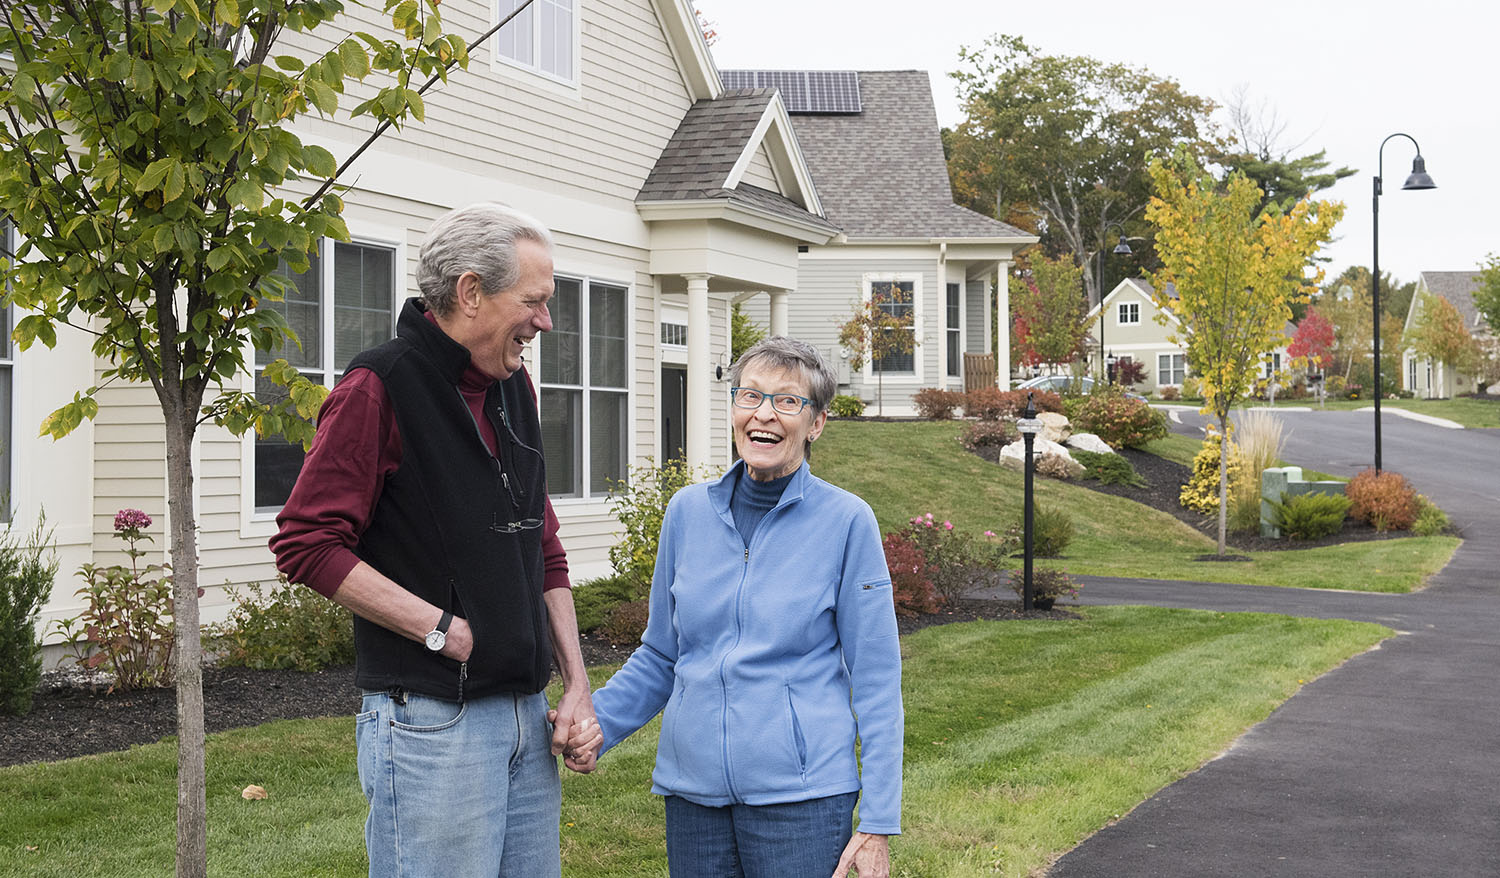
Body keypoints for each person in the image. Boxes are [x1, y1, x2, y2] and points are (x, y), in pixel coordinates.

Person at [270, 202, 601, 878]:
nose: (545, 321)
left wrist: (576, 683)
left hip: (525, 715)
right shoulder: (379, 386)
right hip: (433, 724)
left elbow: (544, 545)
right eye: (533, 302)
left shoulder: (515, 390)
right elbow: (306, 542)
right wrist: (440, 630)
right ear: (471, 291)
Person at [576, 336, 903, 877]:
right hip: (693, 796)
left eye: (787, 401)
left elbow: (875, 677)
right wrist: (597, 726)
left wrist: (877, 822)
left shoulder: (847, 522)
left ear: (816, 423)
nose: (764, 415)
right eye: (750, 396)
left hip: (802, 799)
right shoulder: (687, 514)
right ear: (733, 409)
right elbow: (661, 655)